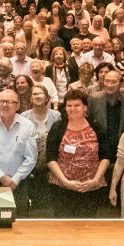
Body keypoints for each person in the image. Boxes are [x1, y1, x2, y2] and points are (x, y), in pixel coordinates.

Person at [46, 89, 110, 218]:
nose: (72, 108)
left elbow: (105, 156)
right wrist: (66, 182)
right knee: (64, 228)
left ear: (85, 107)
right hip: (62, 189)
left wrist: (96, 180)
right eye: (69, 105)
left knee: (87, 228)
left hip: (91, 188)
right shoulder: (58, 127)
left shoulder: (96, 127)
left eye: (77, 105)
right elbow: (51, 158)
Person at [0, 88, 38, 215]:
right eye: (1, 101)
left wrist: (14, 180)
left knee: (19, 222)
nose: (4, 105)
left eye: (8, 102)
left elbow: (31, 158)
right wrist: (2, 177)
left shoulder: (28, 126)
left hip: (18, 184)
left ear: (17, 105)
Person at [22, 86, 61, 212]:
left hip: (51, 167)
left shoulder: (56, 115)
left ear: (47, 98)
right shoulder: (24, 116)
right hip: (30, 167)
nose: (37, 96)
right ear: (30, 98)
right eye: (34, 94)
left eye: (40, 93)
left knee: (48, 206)